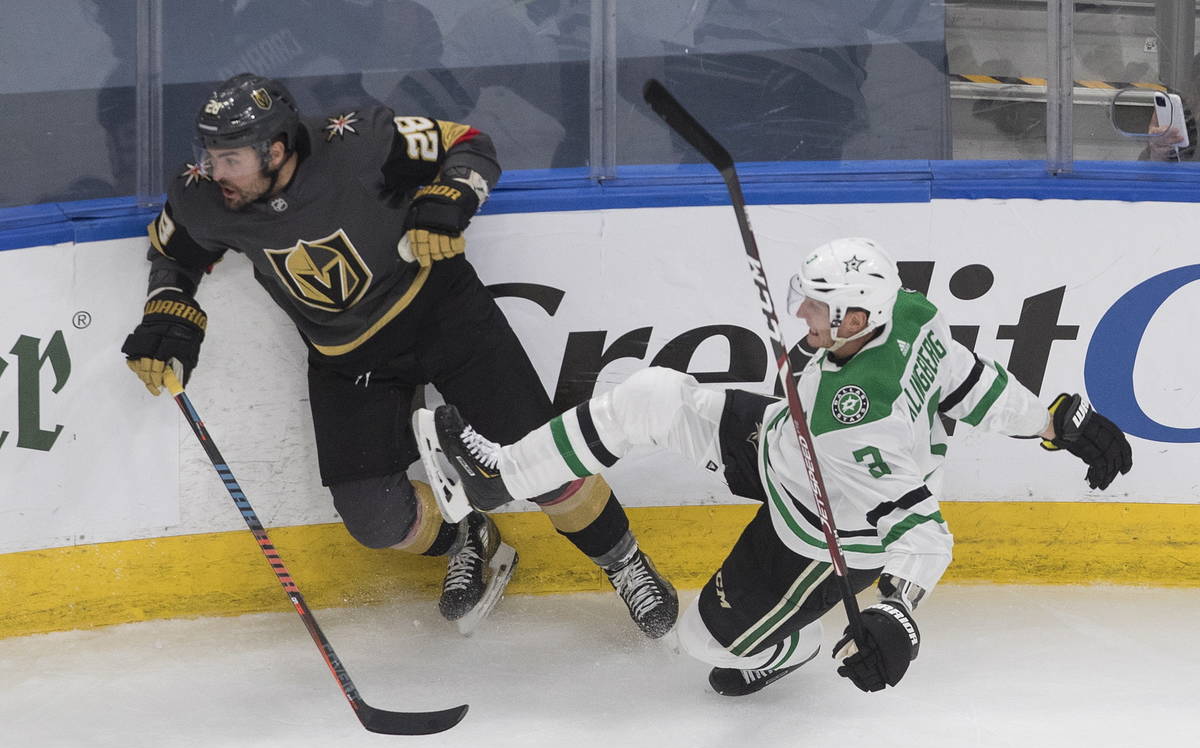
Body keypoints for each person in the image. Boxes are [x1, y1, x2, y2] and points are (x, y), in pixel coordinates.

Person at [420, 237, 1133, 695]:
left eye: (817, 308)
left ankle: (787, 647)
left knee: (705, 648)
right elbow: (971, 383)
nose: (802, 313)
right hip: (785, 447)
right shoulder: (909, 314)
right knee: (652, 396)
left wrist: (899, 614)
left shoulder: (864, 428)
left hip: (820, 537)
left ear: (856, 320)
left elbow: (924, 533)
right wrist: (1053, 421)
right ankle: (501, 474)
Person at [120, 73, 677, 636]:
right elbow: (176, 252)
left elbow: (469, 143)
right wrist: (168, 312)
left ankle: (624, 562)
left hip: (443, 316)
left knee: (544, 464)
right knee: (374, 519)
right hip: (347, 357)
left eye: (231, 159)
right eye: (210, 156)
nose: (217, 173)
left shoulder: (358, 141)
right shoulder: (204, 195)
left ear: (277, 150)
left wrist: (451, 196)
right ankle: (470, 536)